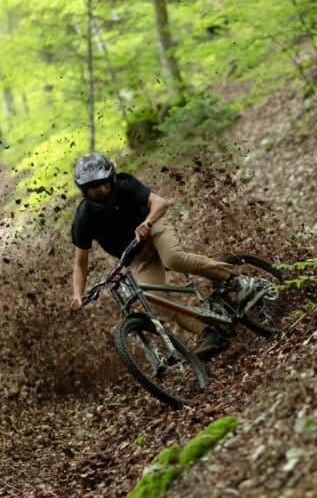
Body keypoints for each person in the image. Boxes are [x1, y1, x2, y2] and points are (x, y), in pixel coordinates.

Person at [68, 152, 250, 359]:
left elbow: (160, 203)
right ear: (84, 191)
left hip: (154, 230)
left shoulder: (125, 185)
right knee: (153, 298)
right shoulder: (83, 218)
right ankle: (210, 333)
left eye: (104, 184)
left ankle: (237, 280)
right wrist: (77, 295)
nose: (101, 191)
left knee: (173, 258)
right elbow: (80, 263)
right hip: (136, 256)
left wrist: (147, 222)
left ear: (112, 179)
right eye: (94, 189)